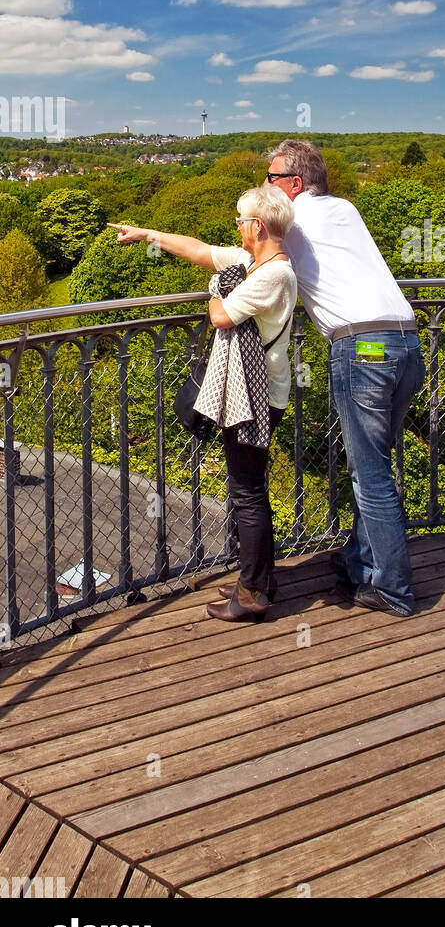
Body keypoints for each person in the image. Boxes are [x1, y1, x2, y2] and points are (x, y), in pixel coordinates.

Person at [109, 185, 298, 622]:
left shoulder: (273, 275)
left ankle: (252, 592)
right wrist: (146, 234)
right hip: (255, 390)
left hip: (253, 395)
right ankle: (262, 579)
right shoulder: (253, 263)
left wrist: (215, 288)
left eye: (240, 220)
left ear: (257, 226)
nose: (237, 227)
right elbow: (197, 250)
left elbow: (221, 315)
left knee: (247, 493)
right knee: (250, 489)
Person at [265, 138, 425, 617]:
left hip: (363, 348)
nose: (264, 187)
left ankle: (392, 589)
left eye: (271, 179)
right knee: (373, 464)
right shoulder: (344, 209)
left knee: (371, 474)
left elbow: (250, 259)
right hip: (406, 344)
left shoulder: (291, 219)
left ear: (294, 184)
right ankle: (362, 564)